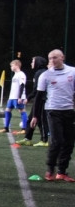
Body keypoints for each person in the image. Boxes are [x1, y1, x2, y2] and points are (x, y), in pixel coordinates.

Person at [38, 49, 75, 182]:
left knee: (69, 142)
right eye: (50, 58)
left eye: (55, 58)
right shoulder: (46, 75)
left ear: (62, 57)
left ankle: (62, 172)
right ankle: (50, 169)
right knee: (57, 141)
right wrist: (35, 116)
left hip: (69, 111)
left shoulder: (73, 72)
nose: (52, 61)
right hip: (53, 111)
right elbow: (39, 97)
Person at [19, 56, 49, 147]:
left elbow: (37, 89)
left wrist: (28, 98)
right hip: (39, 99)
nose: (31, 63)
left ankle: (44, 140)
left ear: (38, 62)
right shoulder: (41, 72)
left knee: (41, 120)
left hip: (42, 100)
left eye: (33, 61)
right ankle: (28, 139)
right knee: (31, 119)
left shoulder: (40, 73)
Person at [0, 59, 28, 134]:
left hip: (18, 97)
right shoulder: (15, 75)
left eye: (12, 65)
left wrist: (20, 97)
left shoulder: (21, 74)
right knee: (7, 110)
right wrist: (9, 98)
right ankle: (6, 128)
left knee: (22, 111)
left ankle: (24, 129)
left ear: (16, 65)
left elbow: (22, 85)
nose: (11, 67)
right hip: (12, 97)